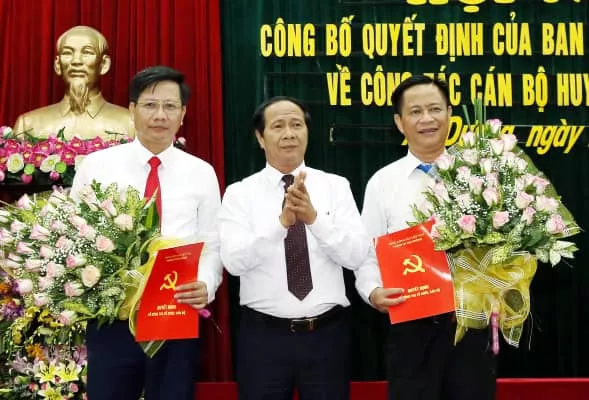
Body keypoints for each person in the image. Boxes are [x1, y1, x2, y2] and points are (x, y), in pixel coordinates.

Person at [70, 65, 223, 400]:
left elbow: (213, 245)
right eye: (150, 105)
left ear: (183, 114)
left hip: (175, 312)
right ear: (132, 109)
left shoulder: (201, 173)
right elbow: (76, 235)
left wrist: (206, 284)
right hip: (112, 316)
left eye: (170, 106)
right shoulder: (97, 166)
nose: (160, 115)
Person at [218, 96, 371, 400]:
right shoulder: (239, 194)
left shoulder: (336, 186)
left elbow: (356, 255)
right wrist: (281, 224)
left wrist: (314, 220)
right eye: (278, 126)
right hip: (263, 339)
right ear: (260, 138)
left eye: (296, 124)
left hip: (326, 336)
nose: (289, 133)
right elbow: (234, 263)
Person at [355, 74, 496, 400]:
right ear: (399, 122)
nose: (427, 119)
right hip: (410, 327)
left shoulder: (479, 175)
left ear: (450, 114)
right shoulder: (382, 183)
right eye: (415, 112)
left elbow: (503, 243)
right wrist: (372, 291)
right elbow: (366, 252)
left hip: (469, 323)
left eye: (435, 109)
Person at [13, 25, 133, 139]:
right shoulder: (28, 125)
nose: (76, 61)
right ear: (57, 65)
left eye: (87, 52)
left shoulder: (130, 124)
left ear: (104, 64)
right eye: (67, 53)